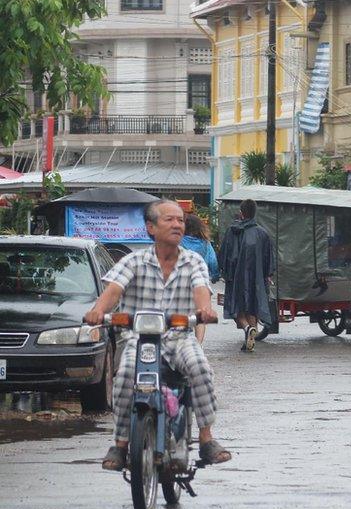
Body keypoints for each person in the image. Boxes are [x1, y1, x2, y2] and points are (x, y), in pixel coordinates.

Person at [84, 199, 231, 471]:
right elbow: (113, 291)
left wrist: (204, 310)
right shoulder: (133, 261)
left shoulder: (193, 261)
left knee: (200, 368)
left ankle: (207, 439)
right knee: (125, 375)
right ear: (151, 227)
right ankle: (120, 444)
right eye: (169, 220)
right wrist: (97, 311)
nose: (177, 225)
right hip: (138, 341)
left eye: (180, 220)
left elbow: (201, 290)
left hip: (180, 339)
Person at [218, 199, 275, 353]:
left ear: (241, 213)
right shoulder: (262, 233)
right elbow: (268, 258)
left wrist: (222, 271)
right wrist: (268, 274)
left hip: (235, 277)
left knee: (236, 308)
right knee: (253, 308)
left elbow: (224, 254)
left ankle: (247, 328)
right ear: (255, 213)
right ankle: (251, 334)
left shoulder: (232, 231)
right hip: (256, 278)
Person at [181, 213, 219, 343]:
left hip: (182, 281)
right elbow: (213, 262)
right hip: (201, 283)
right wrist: (214, 276)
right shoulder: (206, 244)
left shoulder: (179, 241)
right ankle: (198, 344)